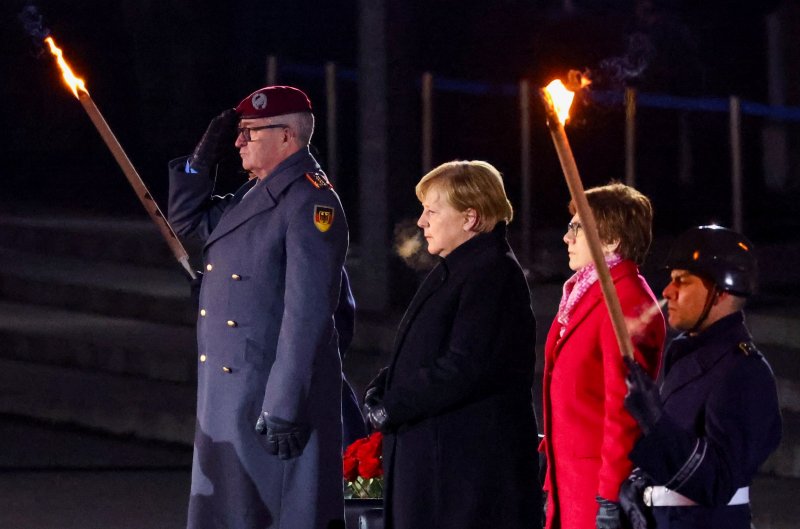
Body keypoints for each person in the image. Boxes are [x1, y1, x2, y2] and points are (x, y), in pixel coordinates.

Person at [168, 85, 349, 529]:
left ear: (286, 136)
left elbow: (307, 315)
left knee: (268, 514)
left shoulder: (311, 202)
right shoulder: (258, 193)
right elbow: (186, 220)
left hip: (266, 397)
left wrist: (285, 405)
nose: (238, 141)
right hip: (230, 395)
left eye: (249, 131)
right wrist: (199, 161)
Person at [363, 160, 541, 529]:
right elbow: (428, 351)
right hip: (441, 471)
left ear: (470, 218)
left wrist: (393, 404)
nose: (422, 221)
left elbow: (465, 365)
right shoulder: (459, 268)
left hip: (462, 482)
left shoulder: (491, 274)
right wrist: (384, 384)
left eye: (432, 211)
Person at [621, 225, 782, 529]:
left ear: (720, 292)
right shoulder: (687, 354)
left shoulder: (745, 373)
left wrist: (654, 423)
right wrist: (637, 485)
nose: (667, 292)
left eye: (682, 281)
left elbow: (718, 481)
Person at [540, 182, 666, 529]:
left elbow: (624, 410)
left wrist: (609, 497)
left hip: (594, 490)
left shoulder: (625, 302)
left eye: (577, 228)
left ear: (611, 240)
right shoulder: (583, 293)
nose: (567, 238)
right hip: (570, 483)